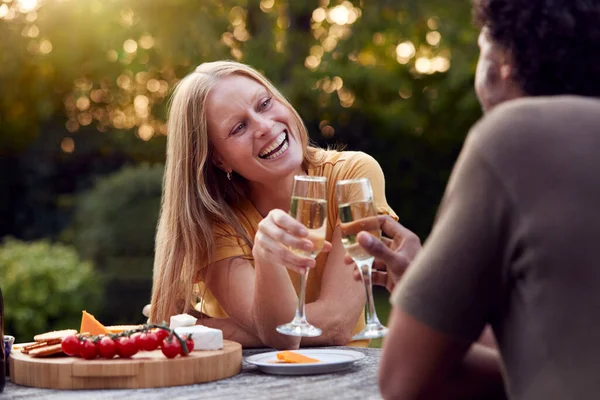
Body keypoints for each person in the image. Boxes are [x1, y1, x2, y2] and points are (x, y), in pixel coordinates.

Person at [348, 0, 600, 398]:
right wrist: (433, 296)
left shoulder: (514, 136)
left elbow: (403, 380)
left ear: (505, 63)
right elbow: (554, 352)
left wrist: (422, 299)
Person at [149, 60, 398, 349]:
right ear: (218, 159)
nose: (265, 127)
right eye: (239, 127)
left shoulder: (352, 175)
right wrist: (266, 257)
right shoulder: (214, 219)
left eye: (265, 104)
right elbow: (283, 333)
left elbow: (336, 323)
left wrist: (210, 330)